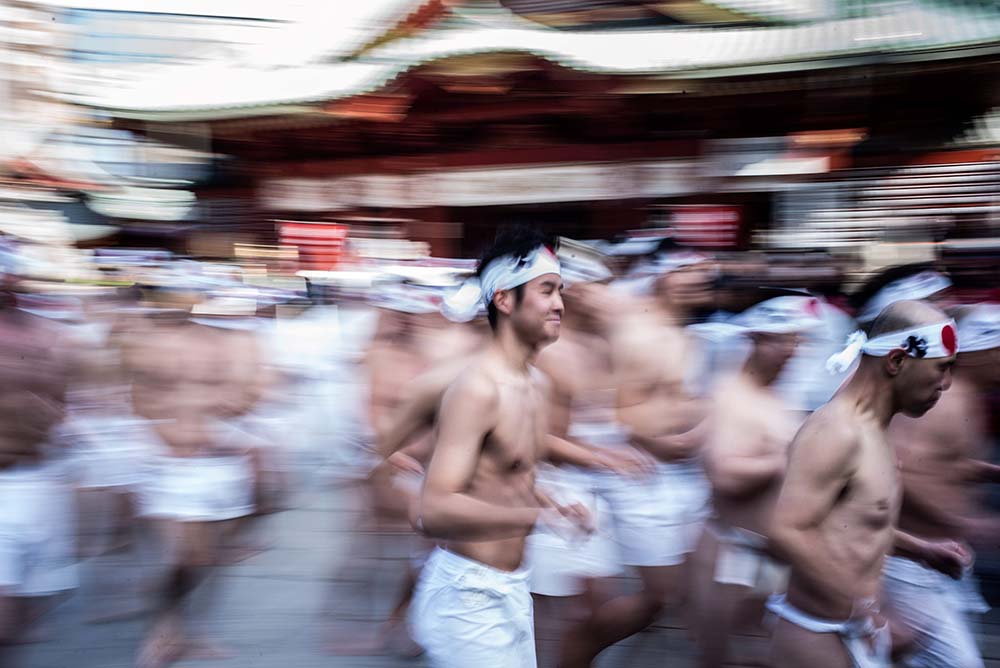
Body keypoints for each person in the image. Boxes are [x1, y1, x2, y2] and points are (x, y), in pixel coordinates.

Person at [410, 227, 591, 668]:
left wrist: (551, 502)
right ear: (504, 301)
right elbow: (432, 510)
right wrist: (537, 515)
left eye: (560, 291)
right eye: (546, 290)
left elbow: (508, 471)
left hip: (511, 589)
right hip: (469, 598)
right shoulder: (477, 389)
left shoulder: (536, 384)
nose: (560, 304)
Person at [768, 300, 965, 668]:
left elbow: (852, 523)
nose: (946, 384)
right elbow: (785, 530)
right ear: (896, 362)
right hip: (819, 638)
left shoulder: (873, 426)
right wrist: (863, 609)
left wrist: (921, 550)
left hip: (854, 633)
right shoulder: (838, 431)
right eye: (941, 369)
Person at [565, 245, 716, 667]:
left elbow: (691, 397)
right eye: (688, 270)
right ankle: (572, 656)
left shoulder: (688, 330)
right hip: (642, 472)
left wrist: (699, 430)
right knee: (661, 595)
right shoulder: (630, 324)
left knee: (679, 588)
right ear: (663, 276)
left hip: (678, 473)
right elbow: (611, 407)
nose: (702, 279)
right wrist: (663, 443)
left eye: (706, 270)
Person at [688, 296, 821, 667]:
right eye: (783, 342)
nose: (792, 352)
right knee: (725, 660)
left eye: (797, 342)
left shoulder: (775, 394)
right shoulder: (731, 396)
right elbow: (725, 474)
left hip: (769, 559)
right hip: (733, 559)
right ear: (757, 340)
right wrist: (785, 459)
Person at [881, 304, 1000, 668]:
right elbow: (903, 471)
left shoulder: (961, 395)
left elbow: (940, 463)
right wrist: (964, 524)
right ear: (981, 352)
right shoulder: (941, 398)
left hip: (943, 561)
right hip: (910, 564)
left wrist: (986, 471)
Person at [0, 252, 76, 654]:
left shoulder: (48, 338)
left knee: (25, 612)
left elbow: (62, 406)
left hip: (33, 480)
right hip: (22, 482)